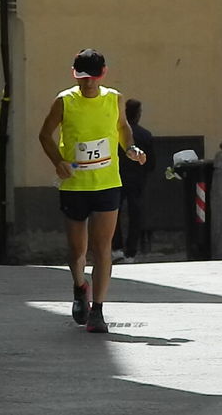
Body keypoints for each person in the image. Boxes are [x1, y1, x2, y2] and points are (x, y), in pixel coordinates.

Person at [39, 48, 146, 333]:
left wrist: (131, 148)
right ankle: (79, 288)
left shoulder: (114, 99)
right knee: (77, 251)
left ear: (102, 74)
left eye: (92, 77)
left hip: (107, 184)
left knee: (103, 249)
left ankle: (97, 309)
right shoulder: (65, 101)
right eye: (82, 78)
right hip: (75, 185)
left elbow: (123, 128)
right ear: (75, 75)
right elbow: (44, 135)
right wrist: (58, 162)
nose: (88, 83)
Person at [112, 99, 156, 263]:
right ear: (137, 115)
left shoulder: (115, 134)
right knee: (135, 215)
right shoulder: (145, 135)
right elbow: (151, 163)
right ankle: (131, 252)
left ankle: (117, 248)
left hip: (117, 178)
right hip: (137, 180)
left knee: (114, 213)